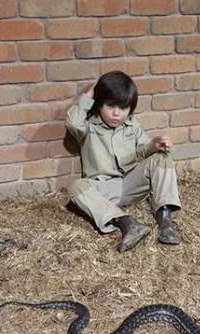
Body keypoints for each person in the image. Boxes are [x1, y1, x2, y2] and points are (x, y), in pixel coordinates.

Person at [65, 71, 182, 252]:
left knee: (162, 158)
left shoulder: (132, 125)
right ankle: (127, 224)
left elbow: (143, 151)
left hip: (130, 182)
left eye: (123, 108)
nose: (117, 113)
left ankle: (165, 220)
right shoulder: (88, 126)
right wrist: (91, 93)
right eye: (110, 106)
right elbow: (72, 122)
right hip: (104, 189)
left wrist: (154, 144)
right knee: (75, 187)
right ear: (99, 102)